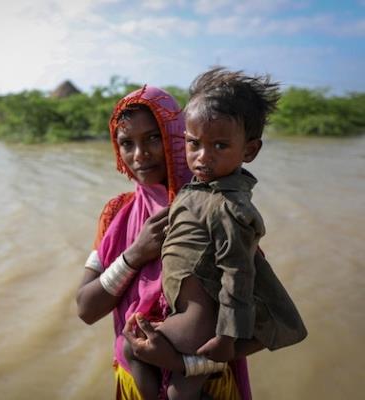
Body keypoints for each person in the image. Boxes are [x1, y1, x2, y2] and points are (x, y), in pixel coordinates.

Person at [123, 68, 308, 399]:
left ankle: (188, 364)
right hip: (189, 325)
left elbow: (239, 274)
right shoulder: (202, 190)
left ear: (249, 151)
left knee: (134, 351)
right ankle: (189, 367)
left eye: (220, 145)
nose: (202, 158)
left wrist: (226, 339)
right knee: (172, 386)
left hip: (195, 329)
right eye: (193, 144)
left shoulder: (228, 207)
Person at [76, 85, 253, 400]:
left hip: (206, 383)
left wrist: (180, 363)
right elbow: (86, 308)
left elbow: (256, 315)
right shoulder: (117, 213)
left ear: (177, 136)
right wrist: (136, 254)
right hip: (137, 380)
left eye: (153, 138)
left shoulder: (216, 205)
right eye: (127, 143)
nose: (139, 156)